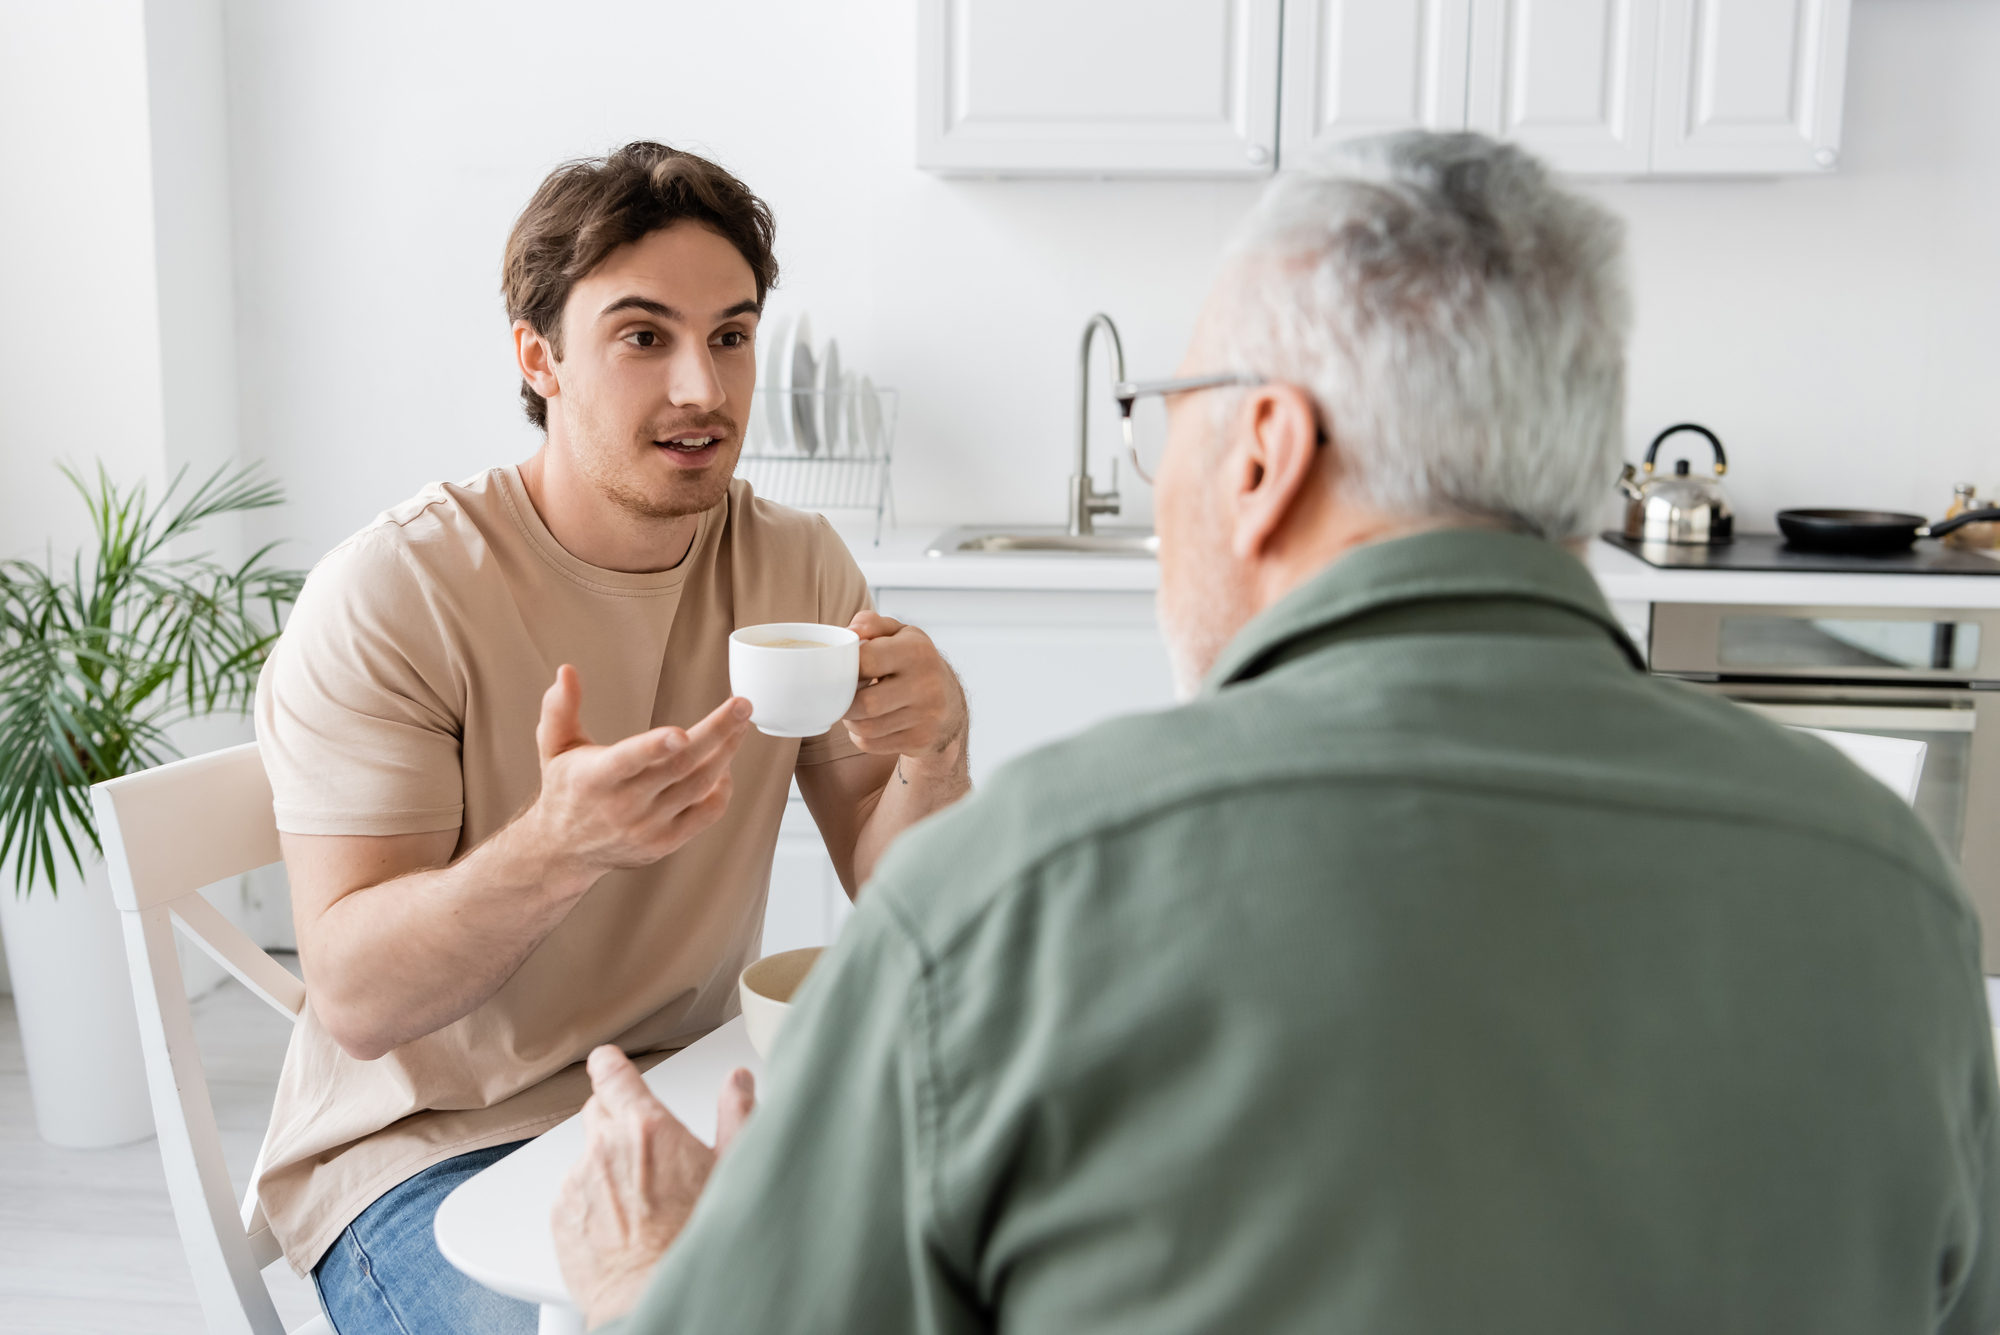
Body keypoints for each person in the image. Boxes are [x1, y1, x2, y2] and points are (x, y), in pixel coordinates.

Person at [550, 131, 2000, 1334]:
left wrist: (640, 1287)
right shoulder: (1895, 890)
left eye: (1162, 420)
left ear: (1263, 453)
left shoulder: (1014, 897)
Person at [250, 142, 971, 1334]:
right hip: (423, 1163)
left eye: (731, 335)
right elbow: (358, 999)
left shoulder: (796, 566)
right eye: (644, 337)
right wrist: (559, 847)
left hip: (689, 1098)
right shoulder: (398, 592)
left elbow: (901, 900)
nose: (703, 386)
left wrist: (937, 754)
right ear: (538, 357)